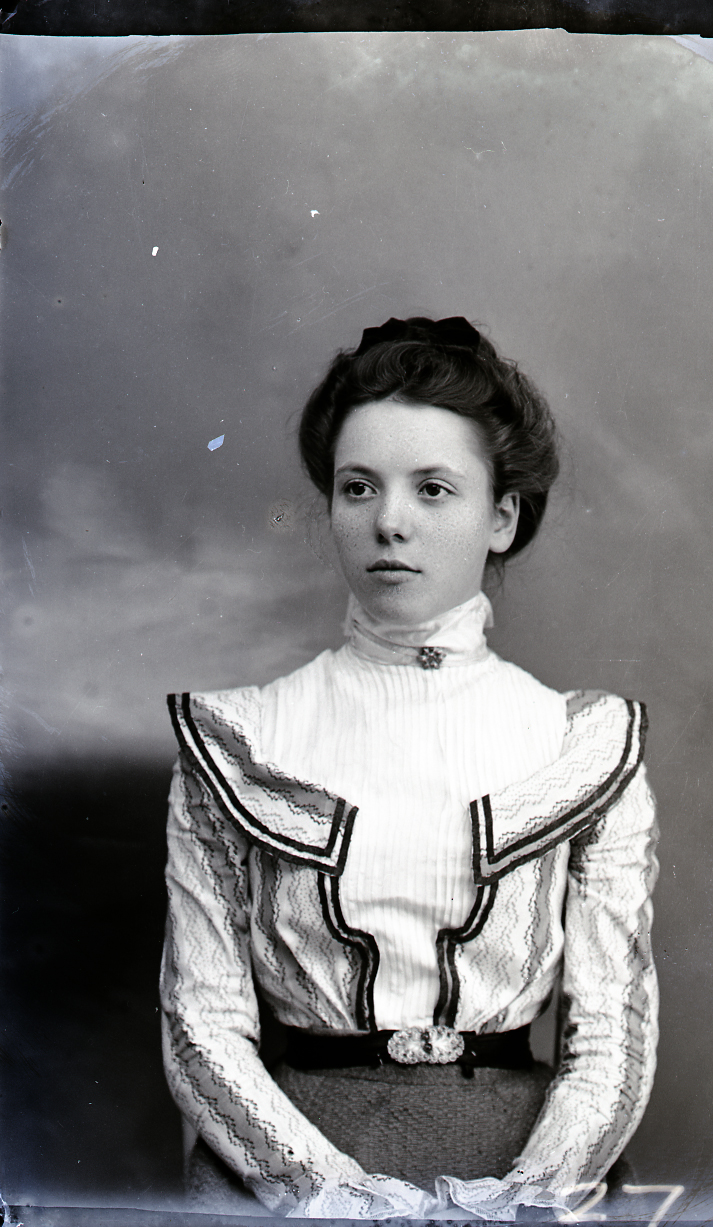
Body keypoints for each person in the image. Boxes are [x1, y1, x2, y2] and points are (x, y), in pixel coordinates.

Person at [160, 315, 660, 1221]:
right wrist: (330, 1196)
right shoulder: (240, 738)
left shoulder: (579, 744)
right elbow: (201, 1027)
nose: (389, 521)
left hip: (523, 1170)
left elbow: (611, 1037)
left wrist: (526, 1200)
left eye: (433, 489)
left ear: (500, 517)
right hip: (285, 1173)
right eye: (358, 487)